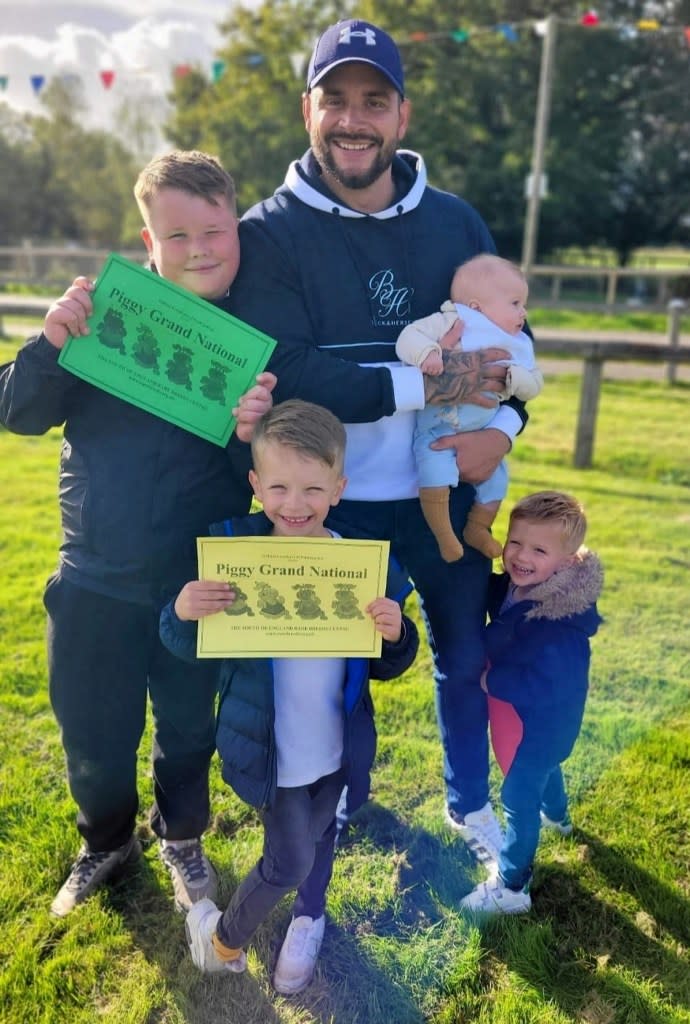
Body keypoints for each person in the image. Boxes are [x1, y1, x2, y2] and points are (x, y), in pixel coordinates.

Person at [226, 19, 530, 865]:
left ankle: (469, 805)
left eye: (374, 101)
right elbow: (290, 367)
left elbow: (513, 347)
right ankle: (341, 799)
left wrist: (502, 429)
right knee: (337, 667)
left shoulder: (456, 222)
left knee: (462, 658)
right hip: (331, 504)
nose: (352, 120)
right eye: (336, 100)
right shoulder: (269, 231)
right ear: (306, 109)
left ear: (402, 116)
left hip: (449, 501)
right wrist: (427, 384)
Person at [0, 150, 275, 917]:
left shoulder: (248, 346)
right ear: (147, 241)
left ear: (237, 228)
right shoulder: (100, 322)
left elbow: (269, 479)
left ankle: (182, 837)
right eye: (176, 235)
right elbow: (16, 413)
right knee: (91, 727)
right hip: (92, 576)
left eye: (214, 230)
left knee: (188, 728)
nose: (199, 249)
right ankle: (105, 841)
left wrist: (250, 430)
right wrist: (50, 342)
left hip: (197, 584)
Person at [159, 400, 419, 993]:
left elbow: (394, 662)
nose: (294, 505)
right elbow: (180, 642)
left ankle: (309, 917)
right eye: (278, 487)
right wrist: (182, 610)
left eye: (312, 489)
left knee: (323, 835)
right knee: (287, 860)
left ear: (339, 487)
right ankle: (220, 938)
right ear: (255, 484)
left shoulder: (364, 563)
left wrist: (395, 632)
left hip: (336, 745)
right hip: (270, 747)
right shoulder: (232, 551)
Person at [460, 491, 603, 914]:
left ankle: (512, 886)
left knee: (518, 797)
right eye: (515, 542)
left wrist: (494, 679)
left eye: (538, 550)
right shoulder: (516, 585)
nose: (521, 556)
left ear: (567, 562)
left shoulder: (560, 621)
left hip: (542, 722)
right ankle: (558, 818)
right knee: (544, 773)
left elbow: (549, 685)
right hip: (528, 723)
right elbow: (495, 601)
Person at [396, 254, 543, 563]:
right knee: (434, 472)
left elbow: (535, 384)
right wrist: (427, 354)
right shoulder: (455, 320)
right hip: (438, 426)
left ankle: (478, 528)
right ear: (476, 306)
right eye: (515, 304)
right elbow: (408, 337)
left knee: (497, 481)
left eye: (524, 305)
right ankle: (445, 536)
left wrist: (515, 379)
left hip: (483, 431)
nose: (524, 313)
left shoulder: (518, 342)